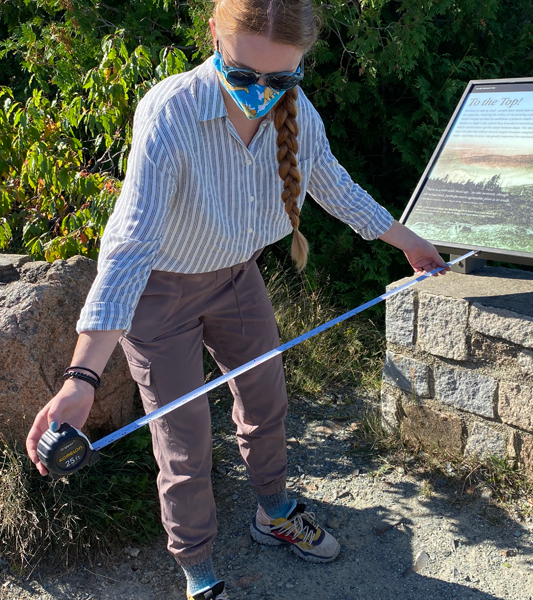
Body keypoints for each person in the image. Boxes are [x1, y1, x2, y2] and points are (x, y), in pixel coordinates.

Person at [26, 1, 448, 598]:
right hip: (158, 293)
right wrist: (81, 377)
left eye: (281, 78)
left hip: (236, 278)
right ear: (213, 35)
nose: (263, 93)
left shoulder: (296, 111)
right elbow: (129, 247)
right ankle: (198, 569)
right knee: (184, 439)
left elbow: (335, 186)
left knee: (266, 397)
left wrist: (410, 244)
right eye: (245, 75)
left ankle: (273, 513)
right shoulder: (169, 114)